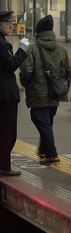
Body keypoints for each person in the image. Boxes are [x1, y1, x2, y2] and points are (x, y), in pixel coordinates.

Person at [19, 14, 70, 164]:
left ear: (38, 32)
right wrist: (64, 90)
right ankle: (43, 149)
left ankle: (52, 154)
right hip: (55, 93)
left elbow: (26, 71)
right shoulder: (61, 50)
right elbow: (68, 71)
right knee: (46, 122)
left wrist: (24, 84)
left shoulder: (32, 49)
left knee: (40, 120)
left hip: (38, 93)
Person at [0, 9, 29, 176]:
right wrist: (22, 50)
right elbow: (11, 66)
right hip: (5, 94)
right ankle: (2, 166)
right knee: (9, 132)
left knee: (3, 131)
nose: (10, 26)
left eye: (11, 23)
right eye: (7, 23)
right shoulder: (3, 44)